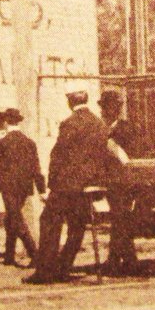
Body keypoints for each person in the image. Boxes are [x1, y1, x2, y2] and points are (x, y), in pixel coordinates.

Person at [25, 90, 109, 284]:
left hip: (68, 184)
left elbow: (58, 155)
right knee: (77, 226)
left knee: (49, 221)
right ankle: (63, 268)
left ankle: (45, 272)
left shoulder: (70, 123)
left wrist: (51, 184)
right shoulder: (99, 124)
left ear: (71, 101)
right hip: (89, 184)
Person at [0, 108, 43, 266]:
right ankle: (9, 256)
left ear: (5, 123)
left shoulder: (2, 142)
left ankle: (35, 254)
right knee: (11, 218)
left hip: (7, 185)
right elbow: (36, 168)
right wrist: (42, 190)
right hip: (24, 186)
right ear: (18, 122)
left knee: (15, 218)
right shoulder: (29, 143)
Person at [98, 90, 141, 276]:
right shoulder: (104, 128)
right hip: (111, 181)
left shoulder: (125, 128)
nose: (104, 111)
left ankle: (117, 261)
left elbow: (130, 155)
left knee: (120, 219)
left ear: (114, 109)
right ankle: (128, 260)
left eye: (106, 108)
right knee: (120, 219)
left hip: (124, 181)